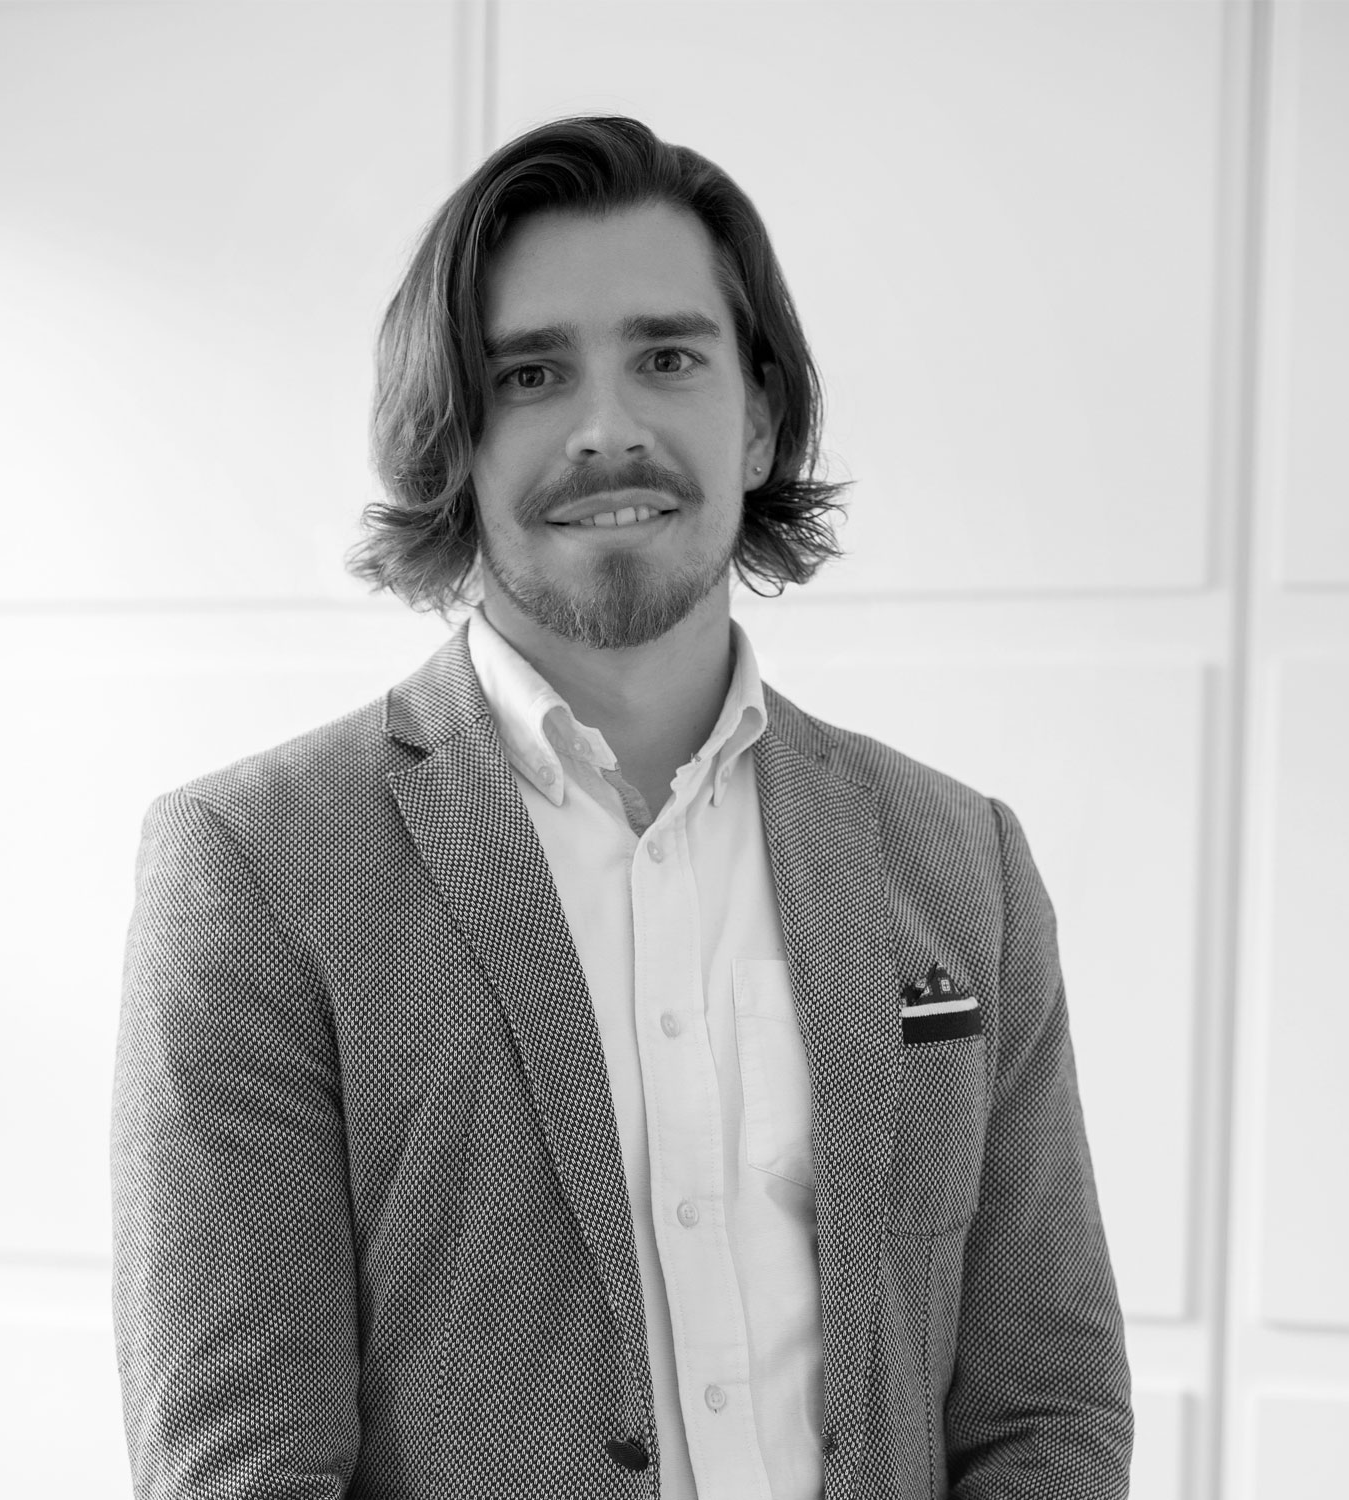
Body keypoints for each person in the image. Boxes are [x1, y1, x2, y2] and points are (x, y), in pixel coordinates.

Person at [111, 115, 1132, 1499]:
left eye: (667, 357)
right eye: (530, 375)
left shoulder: (965, 864)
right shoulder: (254, 870)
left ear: (760, 415)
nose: (608, 430)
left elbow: (1048, 1412)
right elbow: (244, 1471)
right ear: (451, 438)